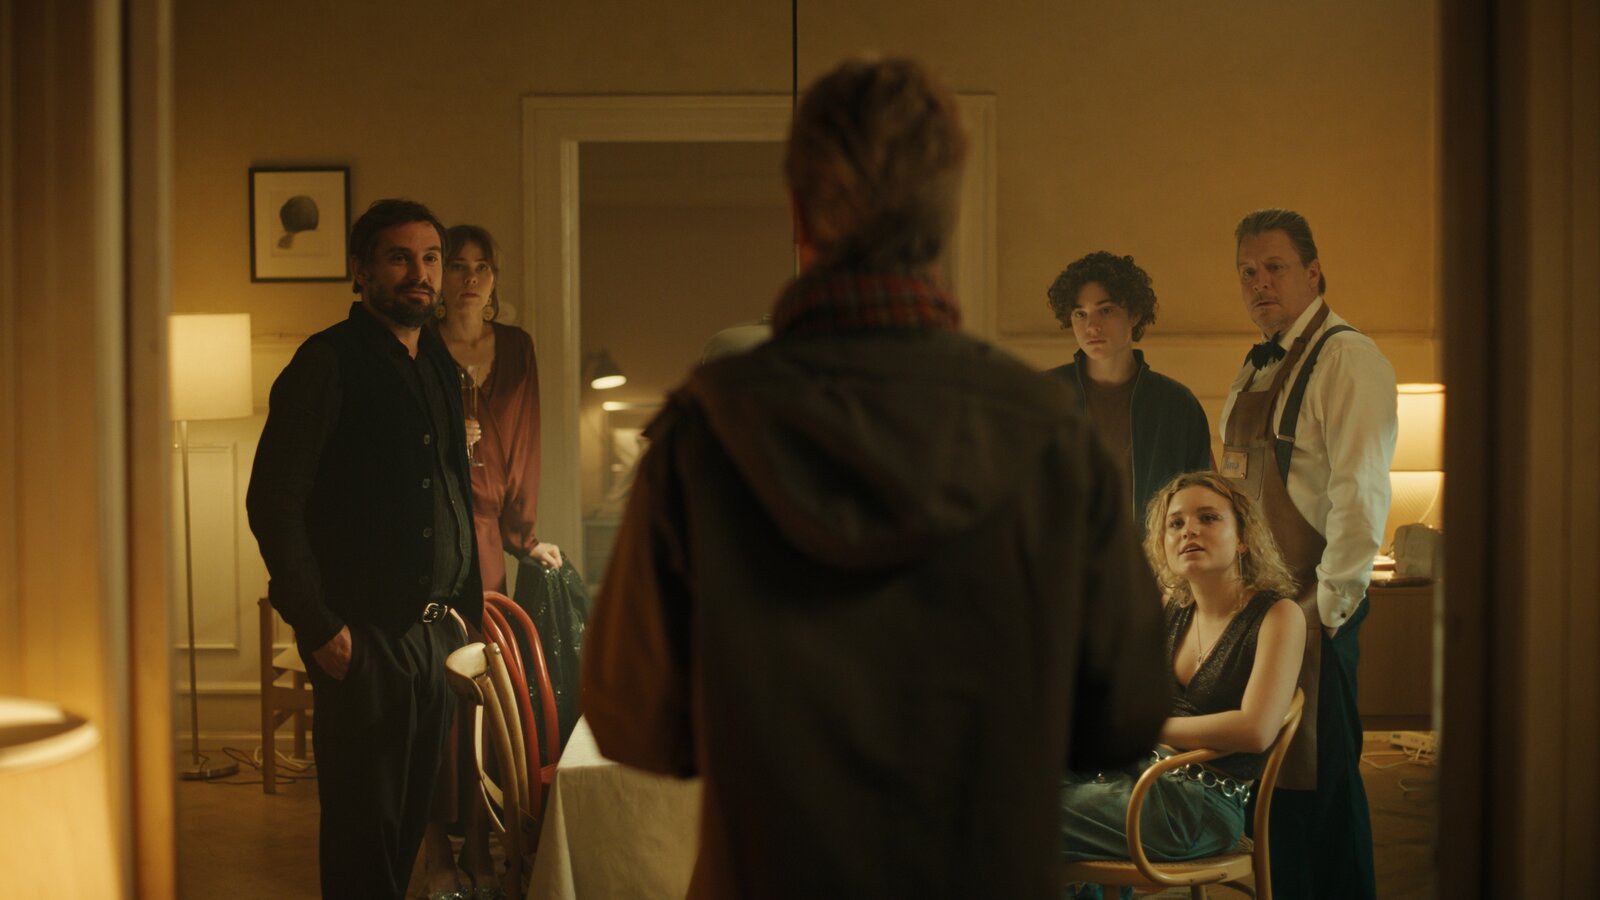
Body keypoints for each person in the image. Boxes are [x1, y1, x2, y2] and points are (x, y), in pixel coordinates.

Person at [581, 56, 1168, 900]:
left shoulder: (702, 434)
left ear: (798, 212)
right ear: (947, 215)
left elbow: (633, 724)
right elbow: (1125, 713)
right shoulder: (1046, 435)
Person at [246, 198, 482, 899]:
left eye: (430, 258)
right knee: (361, 836)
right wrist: (321, 628)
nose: (421, 273)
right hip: (364, 638)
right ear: (360, 271)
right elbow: (273, 503)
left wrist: (467, 616)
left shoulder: (437, 362)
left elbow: (454, 490)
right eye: (399, 258)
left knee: (407, 826)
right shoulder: (326, 362)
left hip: (436, 635)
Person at [1219, 208, 1396, 899]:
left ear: (1313, 273)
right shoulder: (1255, 366)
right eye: (1247, 272)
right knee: (1271, 793)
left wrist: (1325, 613)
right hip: (1255, 614)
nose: (1258, 283)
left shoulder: (1348, 359)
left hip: (1311, 610)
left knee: (1323, 792)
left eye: (1274, 267)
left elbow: (1360, 496)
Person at [1060, 472, 1305, 897]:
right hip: (1141, 774)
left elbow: (1256, 729)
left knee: (1019, 812)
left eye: (1208, 517)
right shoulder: (1171, 608)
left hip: (1202, 805)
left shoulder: (1279, 615)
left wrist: (1148, 727)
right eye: (1175, 523)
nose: (1189, 530)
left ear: (1242, 538)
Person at [419, 224, 561, 899]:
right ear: (440, 277)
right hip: (430, 536)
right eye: (457, 265)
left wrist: (524, 537)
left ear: (495, 278)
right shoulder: (418, 346)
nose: (470, 278)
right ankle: (435, 847)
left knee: (483, 697)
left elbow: (527, 443)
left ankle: (479, 839)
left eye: (482, 267)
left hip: (486, 545)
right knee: (433, 693)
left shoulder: (518, 349)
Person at [1045, 251, 1212, 528]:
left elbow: (1202, 501)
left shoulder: (1177, 405)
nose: (1092, 326)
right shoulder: (1044, 397)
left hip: (1152, 554)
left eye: (1106, 310)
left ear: (1134, 314)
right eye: (1080, 314)